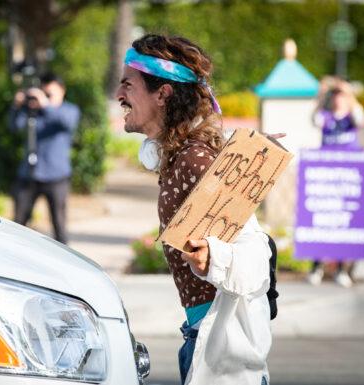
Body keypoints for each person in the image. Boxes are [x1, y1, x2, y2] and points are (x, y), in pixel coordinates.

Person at [117, 34, 272, 385]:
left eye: (128, 84)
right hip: (203, 340)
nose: (118, 95)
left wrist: (214, 257)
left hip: (226, 357)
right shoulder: (178, 157)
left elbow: (257, 255)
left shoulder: (194, 160)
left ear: (162, 94)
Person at [307, 77, 364, 288]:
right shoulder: (325, 115)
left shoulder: (351, 116)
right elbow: (314, 120)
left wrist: (349, 92)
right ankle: (316, 267)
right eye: (336, 96)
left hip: (347, 179)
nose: (338, 100)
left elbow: (361, 119)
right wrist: (323, 96)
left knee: (344, 223)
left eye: (341, 96)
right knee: (322, 221)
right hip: (326, 179)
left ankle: (342, 269)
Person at [9, 72, 80, 244]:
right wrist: (17, 106)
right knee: (18, 225)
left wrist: (46, 104)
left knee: (59, 226)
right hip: (28, 175)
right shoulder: (33, 111)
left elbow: (67, 123)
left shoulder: (69, 110)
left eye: (49, 94)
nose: (43, 98)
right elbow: (15, 126)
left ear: (62, 91)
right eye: (43, 93)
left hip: (56, 177)